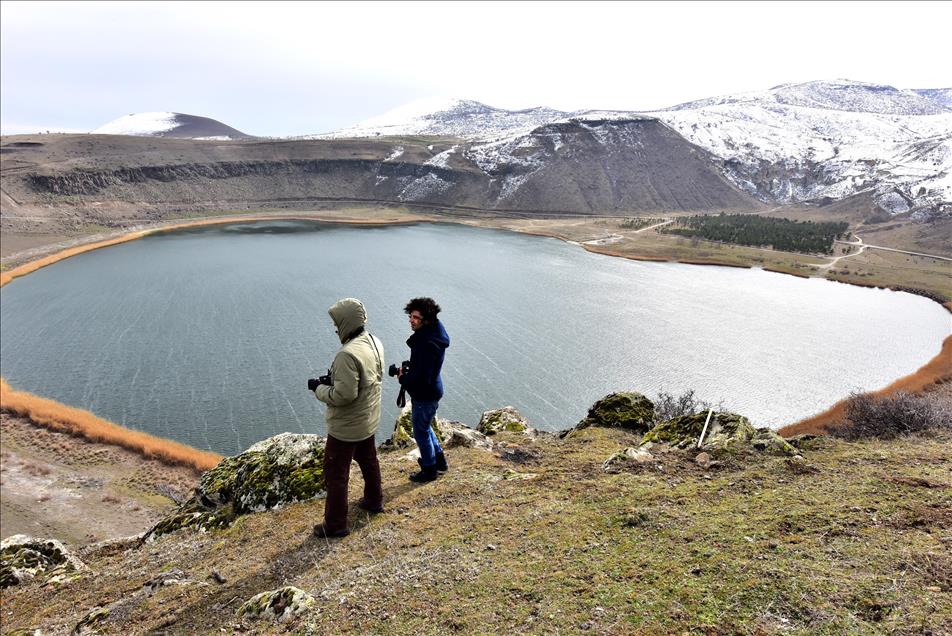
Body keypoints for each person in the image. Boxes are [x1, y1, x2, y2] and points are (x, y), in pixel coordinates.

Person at [308, 298, 385, 538]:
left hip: (346, 427)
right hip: (368, 419)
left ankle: (335, 525)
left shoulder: (347, 354)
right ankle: (374, 501)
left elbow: (344, 395)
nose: (335, 327)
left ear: (346, 323)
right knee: (369, 460)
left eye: (337, 322)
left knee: (336, 474)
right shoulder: (374, 341)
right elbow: (365, 381)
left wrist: (318, 389)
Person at [397, 297, 451, 483]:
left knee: (420, 432)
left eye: (416, 317)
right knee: (425, 427)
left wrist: (403, 378)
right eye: (410, 316)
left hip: (425, 394)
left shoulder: (427, 344)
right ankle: (440, 462)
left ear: (426, 319)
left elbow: (422, 377)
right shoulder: (435, 334)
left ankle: (429, 470)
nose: (411, 320)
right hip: (433, 389)